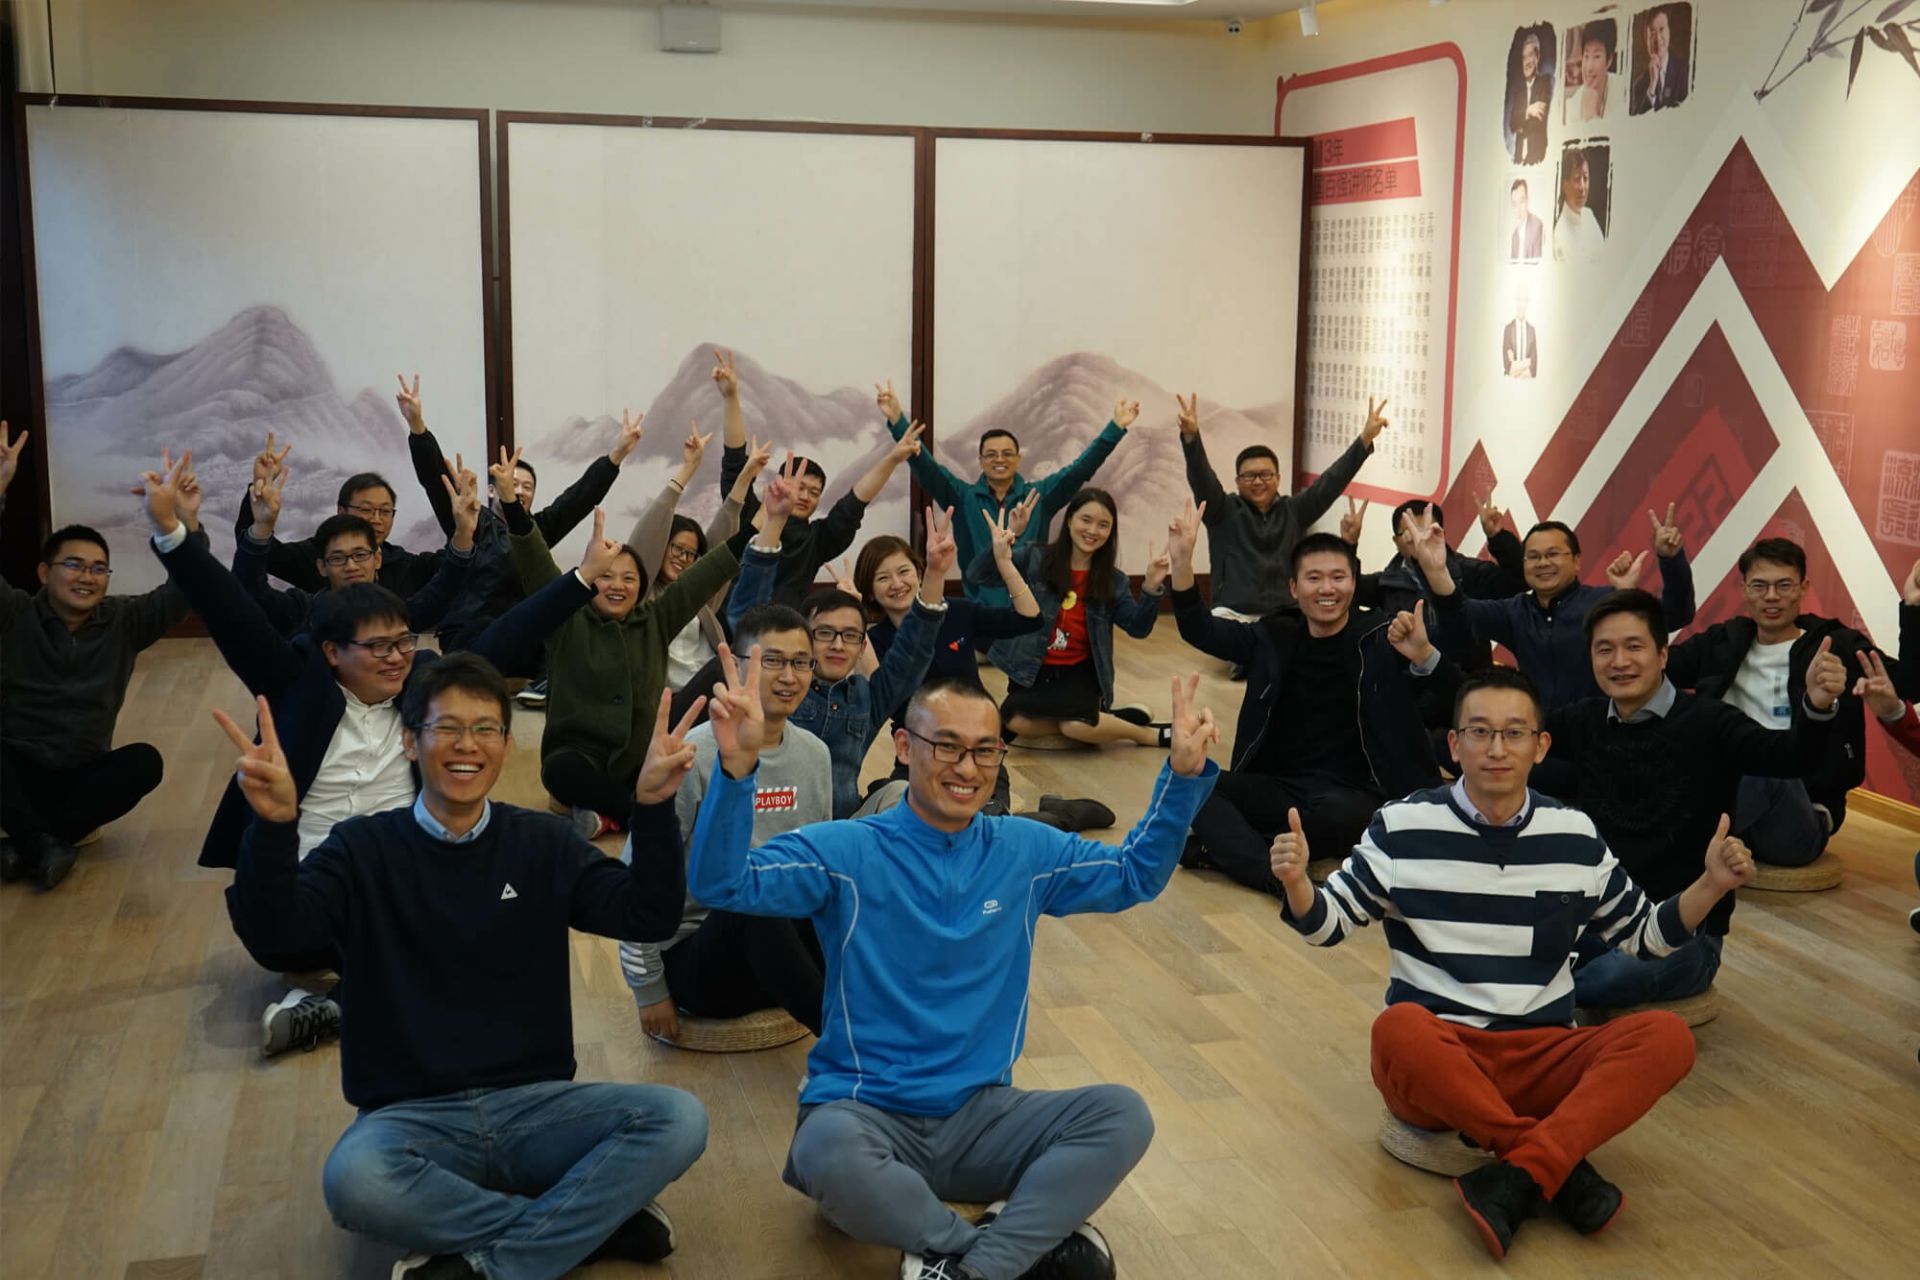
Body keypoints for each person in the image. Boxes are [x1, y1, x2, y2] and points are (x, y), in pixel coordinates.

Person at [669, 644, 1222, 1280]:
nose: (967, 767)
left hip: (983, 1118)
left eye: (985, 750)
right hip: (866, 1115)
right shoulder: (847, 850)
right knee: (822, 1147)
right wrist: (737, 774)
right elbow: (724, 883)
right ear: (905, 747)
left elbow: (1133, 875)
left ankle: (962, 1266)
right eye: (948, 746)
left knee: (1122, 1115)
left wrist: (1181, 777)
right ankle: (998, 1250)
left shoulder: (1024, 850)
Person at [216, 659, 708, 1280]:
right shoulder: (361, 849)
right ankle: (588, 1227)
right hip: (411, 1119)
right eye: (446, 728)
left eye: (485, 729)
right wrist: (271, 829)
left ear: (506, 742)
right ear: (409, 741)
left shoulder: (542, 843)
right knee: (354, 1179)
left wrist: (653, 807)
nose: (467, 745)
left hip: (535, 1108)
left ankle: (487, 1266)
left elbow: (647, 915)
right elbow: (277, 934)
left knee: (679, 1119)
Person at [1270, 665, 1755, 1260]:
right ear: (1454, 745)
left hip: (1543, 1053)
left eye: (1514, 733)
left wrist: (1711, 885)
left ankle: (1521, 1171)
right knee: (1397, 1029)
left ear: (1540, 746)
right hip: (1441, 1056)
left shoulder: (1574, 835)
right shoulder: (1401, 826)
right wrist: (1297, 882)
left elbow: (1643, 936)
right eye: (1479, 732)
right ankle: (1558, 1166)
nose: (1496, 749)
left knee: (1667, 1036)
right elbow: (1327, 924)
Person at [151, 457, 600, 1056]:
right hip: (307, 886)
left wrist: (582, 579)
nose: (397, 658)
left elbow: (504, 637)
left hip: (401, 882)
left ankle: (334, 1005)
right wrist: (174, 534)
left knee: (491, 913)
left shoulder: (421, 682)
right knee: (341, 940)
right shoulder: (294, 676)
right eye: (378, 647)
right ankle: (385, 986)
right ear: (332, 652)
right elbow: (230, 611)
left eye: (402, 643)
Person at [1546, 590, 1844, 1011]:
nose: (1619, 661)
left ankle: (1545, 1000)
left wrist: (1816, 704)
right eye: (1605, 649)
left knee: (1607, 978)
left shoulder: (1710, 722)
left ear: (1663, 655)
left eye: (1634, 647)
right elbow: (1516, 740)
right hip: (1604, 920)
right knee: (1521, 949)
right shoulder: (1582, 720)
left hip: (1688, 935)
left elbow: (1791, 757)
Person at [1172, 508, 1469, 895]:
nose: (1327, 588)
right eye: (1313, 578)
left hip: (1358, 792)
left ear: (1353, 583)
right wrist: (1182, 565)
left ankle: (1230, 850)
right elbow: (1201, 629)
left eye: (1338, 577)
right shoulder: (1273, 635)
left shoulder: (1382, 636)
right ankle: (1274, 875)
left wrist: (1427, 649)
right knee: (1191, 783)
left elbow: (1461, 687)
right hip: (1281, 786)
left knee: (1345, 818)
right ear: (1294, 588)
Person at [502, 444, 747, 840]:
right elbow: (534, 563)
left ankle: (606, 815)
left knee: (680, 756)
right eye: (606, 576)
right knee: (561, 772)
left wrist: (762, 523)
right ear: (589, 578)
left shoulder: (655, 618)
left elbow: (708, 572)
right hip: (578, 757)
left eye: (629, 578)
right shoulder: (565, 616)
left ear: (640, 585)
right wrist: (511, 505)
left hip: (638, 755)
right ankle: (637, 815)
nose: (617, 585)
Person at [619, 601, 832, 1043]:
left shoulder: (815, 753)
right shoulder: (693, 755)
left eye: (800, 662)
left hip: (780, 948)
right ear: (735, 665)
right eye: (771, 661)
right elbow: (637, 877)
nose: (789, 676)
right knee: (749, 897)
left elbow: (819, 871)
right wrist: (649, 989)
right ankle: (852, 1046)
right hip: (700, 956)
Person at [1, 429, 202, 890]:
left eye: (98, 568)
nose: (87, 577)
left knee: (145, 762)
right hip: (14, 767)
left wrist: (183, 523)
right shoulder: (14, 614)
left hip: (79, 773)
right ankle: (43, 843)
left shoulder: (124, 620)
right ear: (44, 573)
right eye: (73, 565)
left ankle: (26, 843)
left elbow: (188, 590)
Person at [725, 464, 956, 818]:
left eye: (849, 636)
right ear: (805, 641)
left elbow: (912, 652)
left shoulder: (867, 698)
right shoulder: (778, 683)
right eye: (824, 633)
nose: (837, 644)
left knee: (900, 792)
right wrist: (774, 523)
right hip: (773, 827)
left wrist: (936, 574)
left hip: (841, 832)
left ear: (862, 645)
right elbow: (748, 617)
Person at [1664, 537, 1878, 867]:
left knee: (1764, 762)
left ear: (1803, 587)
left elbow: (1907, 680)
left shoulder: (1836, 646)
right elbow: (1655, 666)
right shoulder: (1723, 642)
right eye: (1760, 586)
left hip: (1798, 817)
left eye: (1784, 585)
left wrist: (1913, 608)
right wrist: (1659, 574)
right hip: (1725, 801)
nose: (1772, 596)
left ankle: (1678, 847)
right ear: (1744, 589)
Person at [398, 375, 633, 651]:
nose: (518, 491)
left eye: (527, 486)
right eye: (511, 483)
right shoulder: (470, 522)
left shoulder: (537, 533)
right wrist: (417, 426)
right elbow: (435, 480)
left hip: (520, 640)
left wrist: (617, 455)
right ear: (490, 490)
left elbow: (579, 499)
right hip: (467, 638)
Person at [879, 378, 1135, 606]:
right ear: (980, 461)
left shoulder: (1039, 497)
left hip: (1029, 609)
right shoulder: (963, 497)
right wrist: (897, 421)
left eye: (1007, 453)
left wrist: (1115, 429)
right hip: (980, 610)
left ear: (1018, 459)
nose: (999, 459)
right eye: (991, 454)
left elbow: (1080, 470)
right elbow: (927, 468)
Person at [1428, 509, 1696, 710]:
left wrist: (1671, 560)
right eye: (1533, 557)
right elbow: (1460, 613)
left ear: (1577, 561)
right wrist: (1436, 571)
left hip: (1600, 734)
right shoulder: (1514, 611)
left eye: (1553, 554)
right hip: (1541, 739)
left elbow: (1676, 615)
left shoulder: (1603, 602)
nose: (1543, 563)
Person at [972, 488, 1172, 751]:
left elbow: (1138, 628)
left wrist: (1151, 587)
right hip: (1033, 672)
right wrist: (1010, 536)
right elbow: (978, 575)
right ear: (1069, 521)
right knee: (1014, 720)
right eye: (1085, 520)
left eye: (1103, 525)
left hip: (1080, 674)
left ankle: (1146, 735)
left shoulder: (1113, 580)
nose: (1093, 531)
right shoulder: (1035, 559)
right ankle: (1103, 722)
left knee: (1074, 726)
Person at [724, 357, 922, 606]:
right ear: (778, 485)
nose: (805, 496)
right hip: (733, 624)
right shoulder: (751, 517)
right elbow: (734, 464)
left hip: (789, 627)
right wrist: (731, 397)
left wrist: (892, 459)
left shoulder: (816, 540)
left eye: (814, 492)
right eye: (799, 487)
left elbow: (855, 501)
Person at [1179, 392, 1388, 620]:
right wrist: (1191, 438)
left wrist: (1364, 440)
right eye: (1249, 476)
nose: (1258, 481)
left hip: (1285, 612)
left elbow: (1330, 482)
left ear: (1278, 478)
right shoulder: (1222, 511)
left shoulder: (1294, 511)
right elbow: (1202, 479)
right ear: (1237, 481)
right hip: (1233, 611)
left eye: (1265, 475)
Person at [621, 420, 770, 719]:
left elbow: (723, 543)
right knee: (730, 669)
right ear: (661, 546)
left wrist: (746, 478)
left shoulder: (701, 600)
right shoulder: (641, 595)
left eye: (691, 554)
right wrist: (688, 469)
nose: (683, 558)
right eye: (677, 548)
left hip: (712, 699)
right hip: (666, 703)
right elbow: (648, 534)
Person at [234, 455, 478, 638]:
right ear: (322, 565)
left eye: (384, 511)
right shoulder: (307, 609)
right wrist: (261, 520)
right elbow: (256, 580)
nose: (351, 566)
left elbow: (448, 580)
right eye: (338, 558)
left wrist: (465, 530)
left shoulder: (399, 592)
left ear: (377, 559)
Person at [234, 431, 437, 596]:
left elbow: (452, 563)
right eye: (366, 510)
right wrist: (259, 485)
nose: (376, 519)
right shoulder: (314, 554)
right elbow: (260, 550)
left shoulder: (404, 565)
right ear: (341, 511)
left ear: (376, 560)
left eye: (385, 511)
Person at [1351, 495, 1525, 682]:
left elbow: (1516, 580)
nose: (1419, 539)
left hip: (1468, 683)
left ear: (1440, 533)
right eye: (1409, 532)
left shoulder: (1468, 571)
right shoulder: (1384, 583)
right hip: (1408, 685)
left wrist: (1497, 536)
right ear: (1396, 541)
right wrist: (1349, 545)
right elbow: (1346, 592)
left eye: (1426, 531)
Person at [1630, 6, 1688, 114]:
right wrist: (1652, 86)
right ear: (1646, 40)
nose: (1657, 38)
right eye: (1652, 33)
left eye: (1661, 30)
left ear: (1669, 32)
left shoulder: (1685, 72)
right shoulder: (1638, 86)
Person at [1553, 147, 1607, 262]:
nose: (1582, 187)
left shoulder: (1588, 214)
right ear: (1565, 186)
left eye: (1585, 178)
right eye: (1577, 179)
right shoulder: (1560, 233)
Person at [1509, 32, 1551, 164]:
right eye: (1524, 57)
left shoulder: (1545, 82)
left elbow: (1540, 117)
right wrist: (1528, 111)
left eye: (1530, 55)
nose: (1527, 62)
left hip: (1537, 158)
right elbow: (1512, 124)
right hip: (1518, 160)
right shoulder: (1518, 94)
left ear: (1537, 57)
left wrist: (1521, 123)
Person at [1567, 20, 1615, 122]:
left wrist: (1592, 116)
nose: (1589, 67)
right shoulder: (1572, 105)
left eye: (1596, 56)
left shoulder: (1625, 93)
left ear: (1609, 60)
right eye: (1586, 56)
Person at [1503, 287, 1538, 378]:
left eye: (1524, 300)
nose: (1521, 305)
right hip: (1509, 385)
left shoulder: (1532, 331)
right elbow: (1508, 369)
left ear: (1527, 303)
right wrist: (1528, 362)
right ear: (1515, 302)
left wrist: (1516, 365)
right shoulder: (1508, 330)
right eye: (1519, 300)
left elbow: (1533, 371)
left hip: (1529, 385)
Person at [1508, 179, 1544, 262]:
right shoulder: (1514, 236)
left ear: (1527, 201)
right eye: (1514, 204)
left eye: (1521, 202)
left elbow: (1537, 265)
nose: (1518, 209)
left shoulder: (1537, 226)